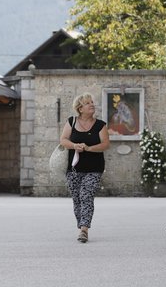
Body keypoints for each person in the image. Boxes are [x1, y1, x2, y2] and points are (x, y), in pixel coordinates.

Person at [59, 92, 110, 243]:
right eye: (88, 103)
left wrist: (88, 148)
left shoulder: (100, 125)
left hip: (94, 168)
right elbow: (63, 140)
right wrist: (75, 145)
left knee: (86, 195)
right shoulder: (71, 122)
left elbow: (106, 144)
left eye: (92, 102)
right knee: (77, 198)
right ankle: (81, 224)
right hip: (74, 168)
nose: (92, 105)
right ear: (80, 108)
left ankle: (84, 229)